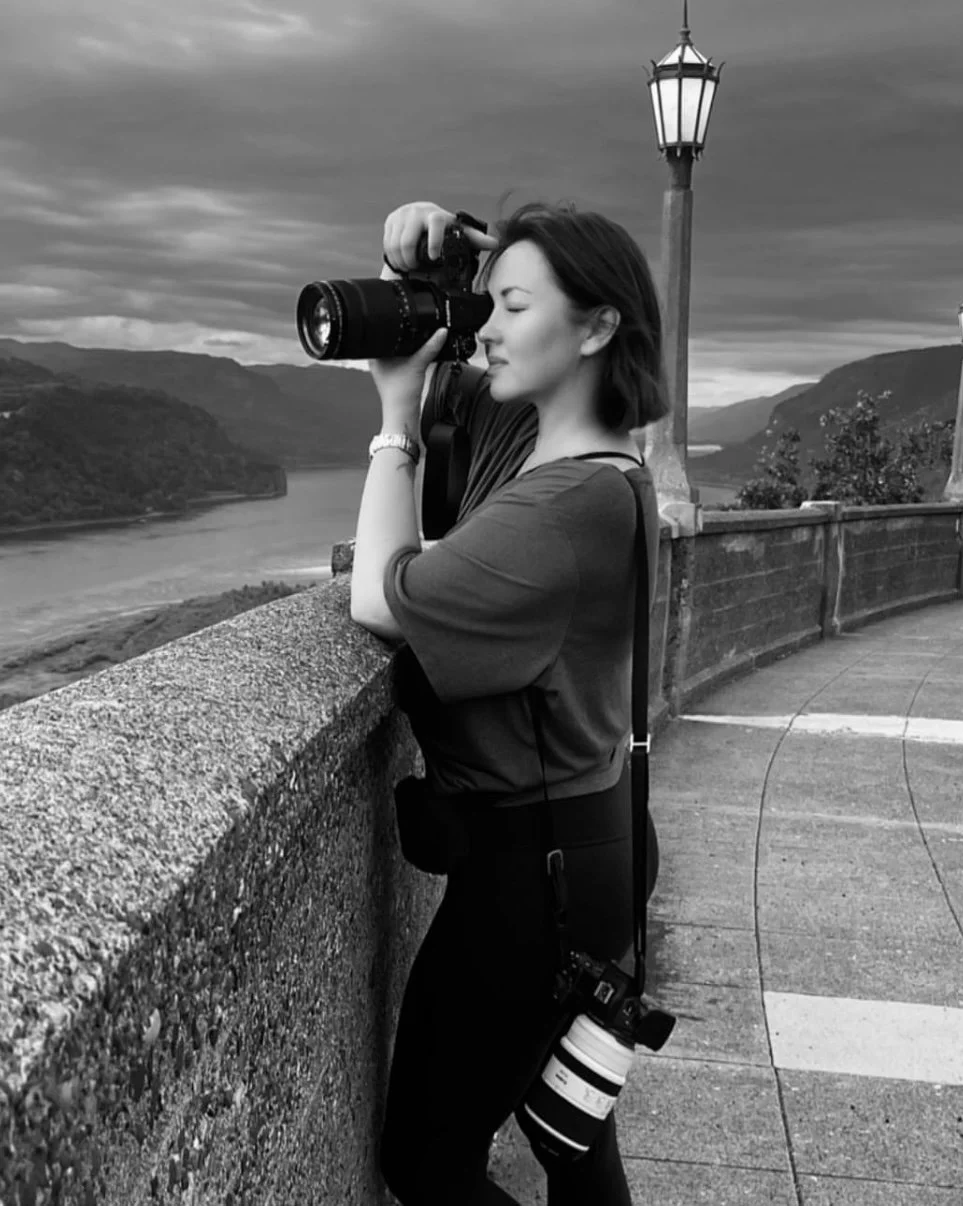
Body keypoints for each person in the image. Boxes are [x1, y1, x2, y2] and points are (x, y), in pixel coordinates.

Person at [349, 198, 669, 1206]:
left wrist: (392, 426)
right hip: (585, 840)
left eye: (514, 306)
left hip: (536, 878)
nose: (483, 327)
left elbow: (379, 595)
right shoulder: (553, 450)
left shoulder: (564, 500)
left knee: (425, 1159)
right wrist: (433, 246)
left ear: (596, 326)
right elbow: (463, 333)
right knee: (570, 1138)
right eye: (486, 303)